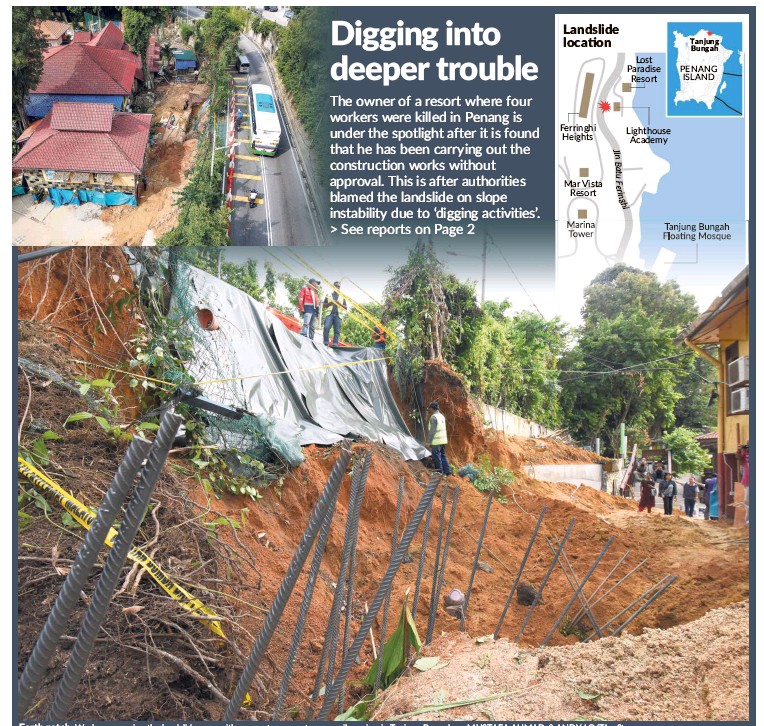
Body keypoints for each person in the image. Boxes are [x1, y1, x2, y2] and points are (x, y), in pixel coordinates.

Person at [427, 401, 452, 476]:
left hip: (436, 441)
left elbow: (432, 431)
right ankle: (447, 472)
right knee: (443, 455)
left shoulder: (434, 417)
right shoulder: (441, 416)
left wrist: (429, 442)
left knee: (436, 457)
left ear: (431, 408)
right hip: (443, 441)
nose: (429, 410)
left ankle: (439, 473)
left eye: (429, 408)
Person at [322, 281, 347, 347]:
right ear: (333, 286)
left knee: (337, 331)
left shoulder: (342, 296)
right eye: (336, 286)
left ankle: (335, 344)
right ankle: (326, 342)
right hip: (329, 314)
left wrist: (339, 304)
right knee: (326, 328)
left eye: (338, 286)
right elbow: (324, 305)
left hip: (338, 316)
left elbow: (346, 308)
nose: (337, 287)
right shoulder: (329, 295)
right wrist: (331, 303)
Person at [737, 443, 750, 525]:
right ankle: (748, 522)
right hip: (748, 482)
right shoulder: (745, 455)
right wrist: (739, 449)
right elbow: (738, 457)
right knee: (748, 502)